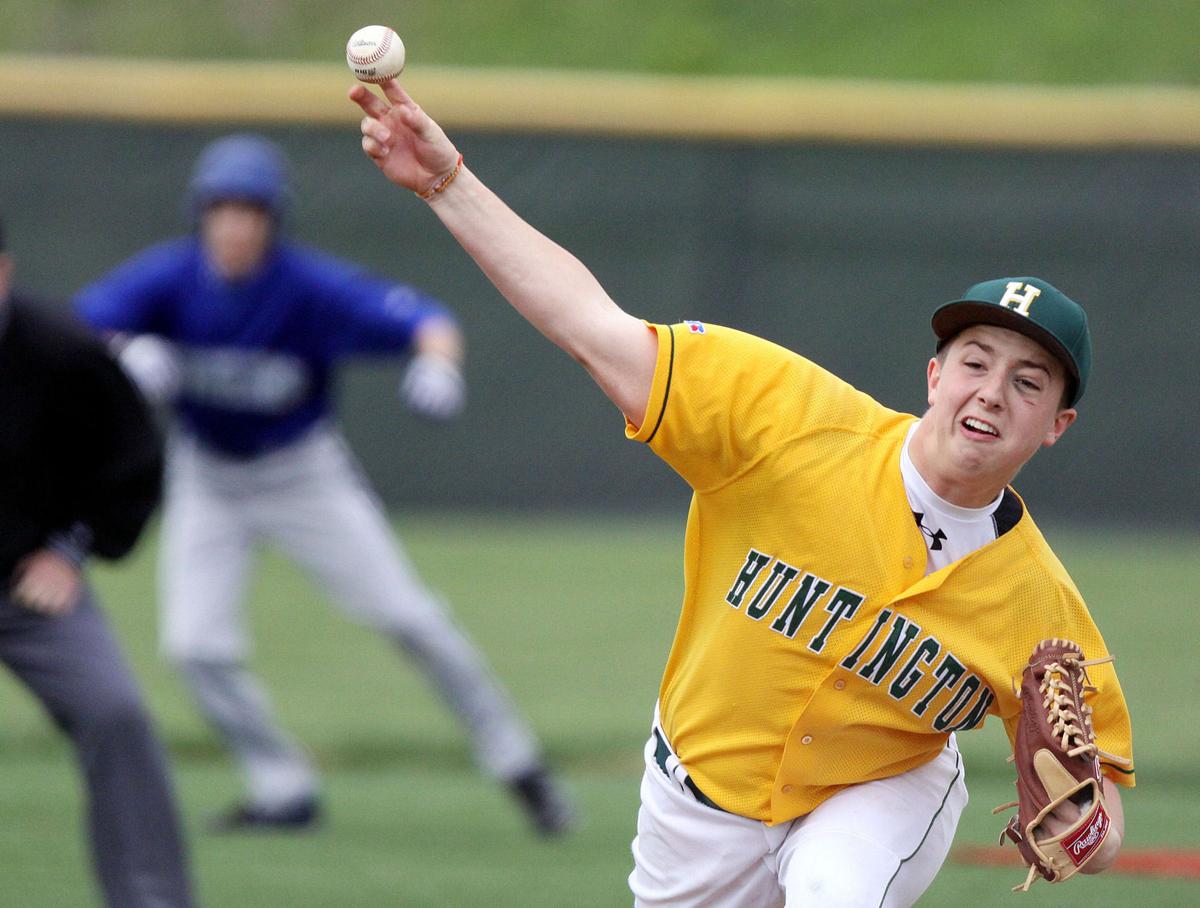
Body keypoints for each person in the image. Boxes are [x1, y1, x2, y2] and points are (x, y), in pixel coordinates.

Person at [347, 79, 1136, 906]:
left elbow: (1105, 816)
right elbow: (588, 324)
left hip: (877, 795)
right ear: (935, 374)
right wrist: (447, 184)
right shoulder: (786, 419)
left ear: (1057, 423)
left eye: (1028, 381)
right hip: (695, 798)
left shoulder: (1040, 606)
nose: (991, 393)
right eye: (976, 362)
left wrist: (1084, 825)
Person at [74, 134, 575, 836]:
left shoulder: (305, 286)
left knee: (409, 618)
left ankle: (519, 763)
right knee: (195, 647)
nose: (236, 225)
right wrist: (124, 349)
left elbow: (429, 322)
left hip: (303, 474)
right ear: (201, 215)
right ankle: (282, 787)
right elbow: (75, 330)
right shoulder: (170, 279)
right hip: (210, 475)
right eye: (222, 210)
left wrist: (438, 366)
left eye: (251, 211)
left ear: (273, 220)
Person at [0, 215, 195, 907]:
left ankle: (151, 898)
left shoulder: (64, 353)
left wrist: (70, 550)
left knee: (116, 713)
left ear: (5, 273)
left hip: (24, 586)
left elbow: (132, 465)